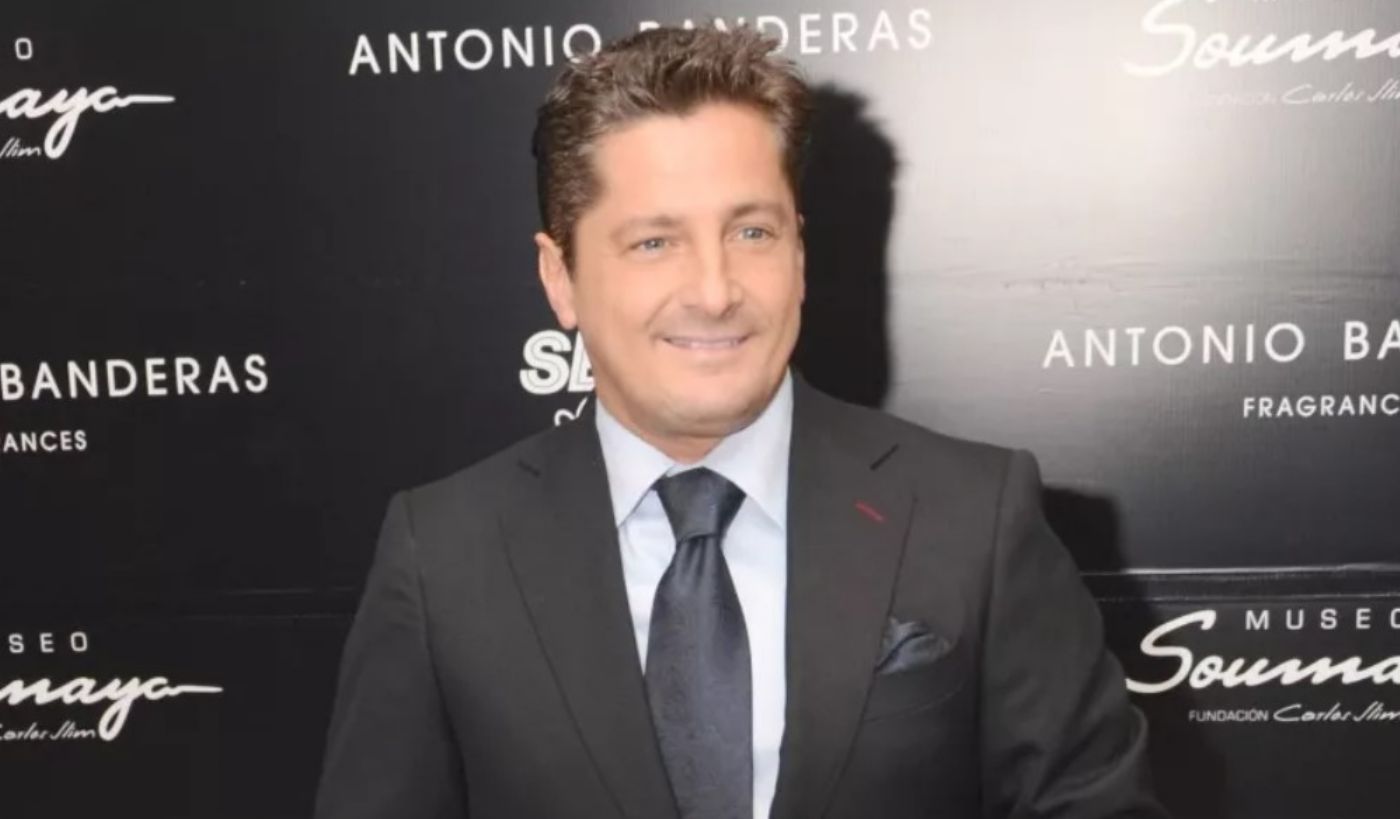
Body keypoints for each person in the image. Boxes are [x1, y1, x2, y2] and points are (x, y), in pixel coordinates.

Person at [315, 25, 1166, 819]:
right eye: (654, 242)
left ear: (799, 251)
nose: (716, 291)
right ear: (560, 278)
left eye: (752, 231)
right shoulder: (443, 553)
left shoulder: (976, 516)